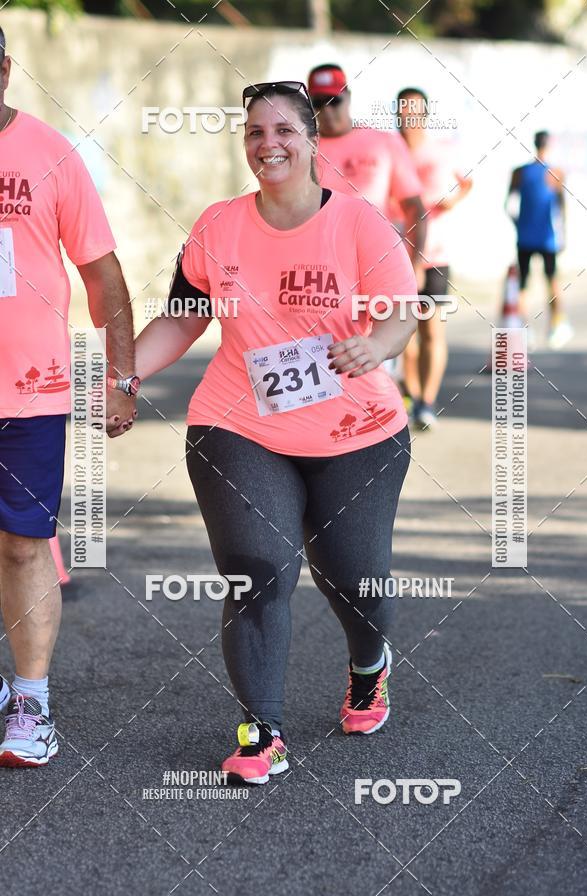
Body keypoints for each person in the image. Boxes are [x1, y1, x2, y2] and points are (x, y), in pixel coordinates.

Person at [135, 81, 419, 785]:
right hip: (238, 423)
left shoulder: (357, 224)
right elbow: (183, 315)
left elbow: (403, 310)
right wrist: (124, 374)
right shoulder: (219, 225)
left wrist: (375, 345)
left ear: (311, 139)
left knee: (353, 576)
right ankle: (262, 730)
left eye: (284, 130)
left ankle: (368, 661)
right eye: (255, 133)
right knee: (258, 569)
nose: (269, 145)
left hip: (356, 430)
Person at [0, 26, 137, 767]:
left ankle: (31, 703)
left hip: (30, 390)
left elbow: (102, 274)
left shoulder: (52, 154)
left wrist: (119, 377)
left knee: (24, 544)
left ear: (6, 69)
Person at [392, 87, 472, 429]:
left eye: (416, 111)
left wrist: (453, 199)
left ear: (425, 114)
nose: (410, 118)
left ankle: (427, 401)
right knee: (402, 338)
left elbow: (466, 183)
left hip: (435, 256)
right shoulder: (388, 150)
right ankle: (409, 396)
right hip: (392, 256)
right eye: (404, 111)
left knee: (431, 332)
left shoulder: (443, 150)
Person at [307, 64, 426, 284]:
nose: (328, 111)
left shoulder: (385, 142)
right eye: (319, 103)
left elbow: (414, 207)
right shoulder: (301, 150)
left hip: (378, 264)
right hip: (321, 269)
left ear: (348, 97)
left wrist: (415, 263)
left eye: (335, 101)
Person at [507, 130, 573, 349]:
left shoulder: (519, 172)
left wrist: (518, 225)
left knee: (523, 286)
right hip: (547, 238)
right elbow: (562, 208)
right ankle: (556, 328)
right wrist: (562, 233)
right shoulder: (555, 173)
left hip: (525, 237)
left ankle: (526, 332)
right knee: (552, 282)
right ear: (549, 145)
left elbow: (508, 205)